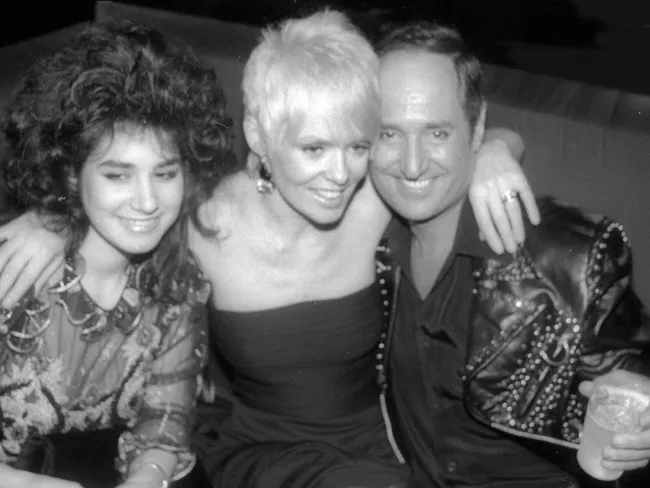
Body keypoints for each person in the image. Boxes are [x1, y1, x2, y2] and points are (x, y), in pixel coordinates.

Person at [0, 10, 538, 488]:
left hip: (379, 448)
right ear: (259, 136)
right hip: (258, 453)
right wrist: (51, 220)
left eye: (358, 145)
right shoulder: (204, 218)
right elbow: (124, 195)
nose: (340, 173)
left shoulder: (376, 199)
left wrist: (494, 151)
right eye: (313, 147)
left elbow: (442, 159)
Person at [369, 20, 650, 487]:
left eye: (437, 133)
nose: (412, 164)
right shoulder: (367, 237)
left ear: (477, 128)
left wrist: (642, 425)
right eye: (389, 134)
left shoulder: (571, 256)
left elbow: (635, 386)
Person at [0, 19, 237, 488]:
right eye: (117, 175)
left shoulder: (178, 285)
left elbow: (166, 420)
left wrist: (144, 479)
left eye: (165, 174)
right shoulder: (17, 268)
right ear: (72, 175)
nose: (147, 201)